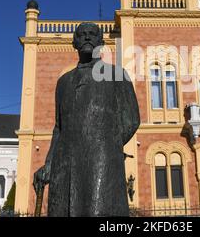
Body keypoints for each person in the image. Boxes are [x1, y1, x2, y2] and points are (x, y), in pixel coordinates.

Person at [33, 22, 140, 217]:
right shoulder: (64, 82)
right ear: (74, 42)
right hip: (65, 165)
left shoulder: (116, 74)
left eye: (92, 34)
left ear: (101, 42)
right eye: (82, 34)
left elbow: (132, 119)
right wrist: (49, 165)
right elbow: (58, 128)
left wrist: (107, 146)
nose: (87, 37)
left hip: (102, 163)